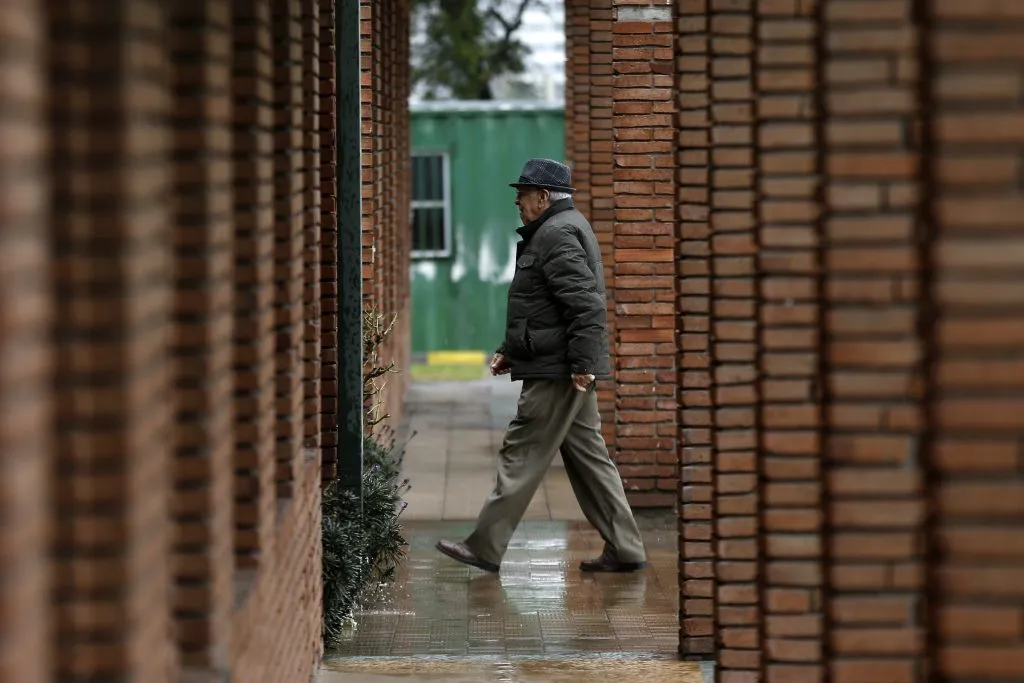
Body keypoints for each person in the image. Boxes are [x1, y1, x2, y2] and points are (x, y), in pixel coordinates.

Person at [435, 158, 647, 574]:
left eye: (523, 193)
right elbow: (542, 307)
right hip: (563, 365)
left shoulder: (557, 234)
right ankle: (626, 547)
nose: (518, 201)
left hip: (558, 371)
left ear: (544, 196)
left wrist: (582, 365)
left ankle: (485, 547)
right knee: (590, 461)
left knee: (522, 452)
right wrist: (511, 349)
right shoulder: (559, 229)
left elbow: (586, 307)